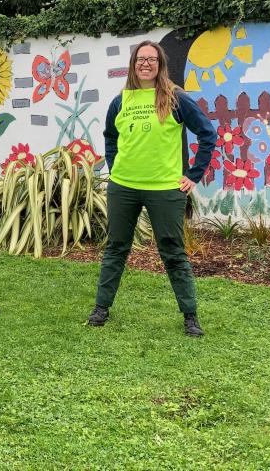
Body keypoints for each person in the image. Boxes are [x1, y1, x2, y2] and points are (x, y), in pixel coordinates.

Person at [87, 40, 217, 337]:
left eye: (152, 59)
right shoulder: (121, 101)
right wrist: (115, 164)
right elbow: (110, 136)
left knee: (172, 252)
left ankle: (190, 316)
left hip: (165, 190)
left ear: (160, 64)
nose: (145, 63)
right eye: (140, 59)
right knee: (116, 248)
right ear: (133, 64)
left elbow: (207, 135)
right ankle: (101, 308)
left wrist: (193, 175)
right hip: (123, 188)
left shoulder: (175, 98)